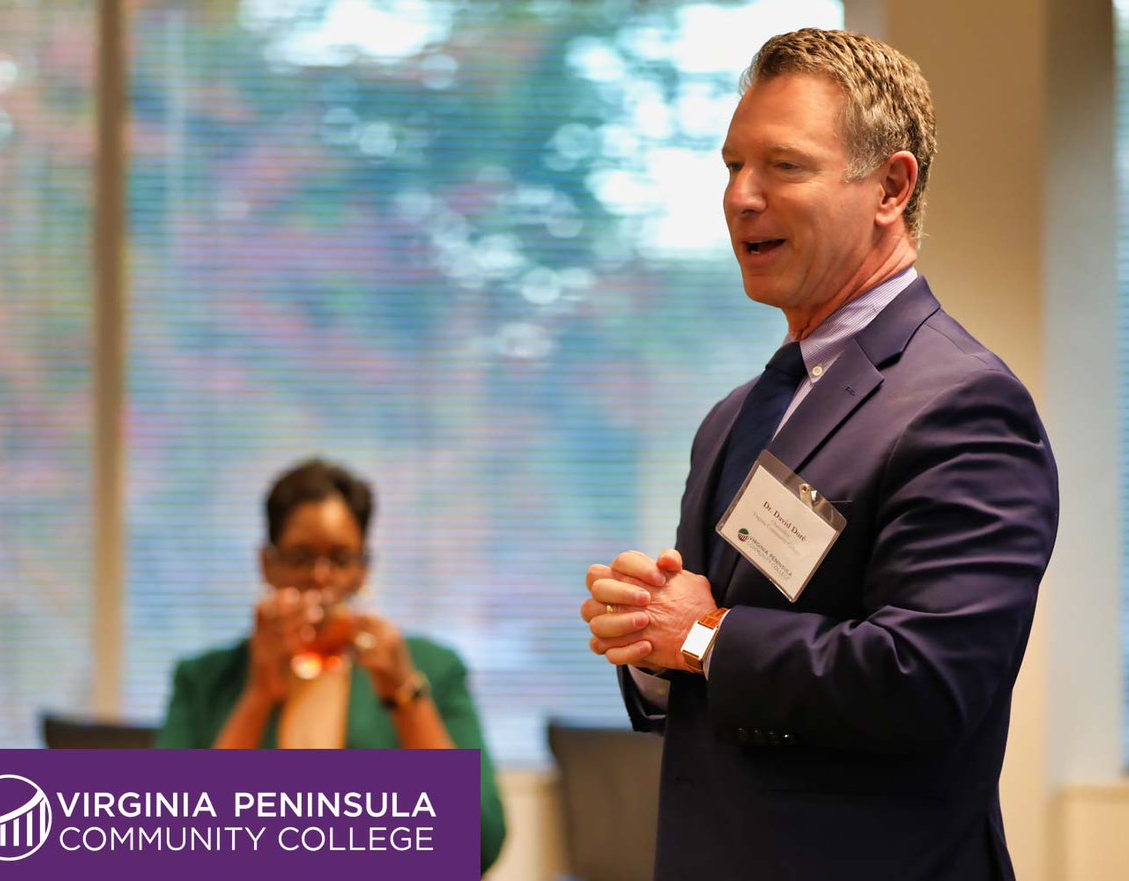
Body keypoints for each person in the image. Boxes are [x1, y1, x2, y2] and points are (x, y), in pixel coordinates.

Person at [581, 28, 1058, 881]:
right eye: (733, 166)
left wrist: (703, 637)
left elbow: (929, 678)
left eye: (784, 166)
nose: (741, 197)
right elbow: (716, 669)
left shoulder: (964, 405)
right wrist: (654, 645)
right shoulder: (734, 416)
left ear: (891, 187)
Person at [157, 458, 506, 874]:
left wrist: (405, 695)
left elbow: (479, 844)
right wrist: (257, 695)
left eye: (340, 559)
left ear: (362, 570)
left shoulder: (431, 668)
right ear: (267, 564)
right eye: (300, 558)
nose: (320, 578)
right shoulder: (204, 679)